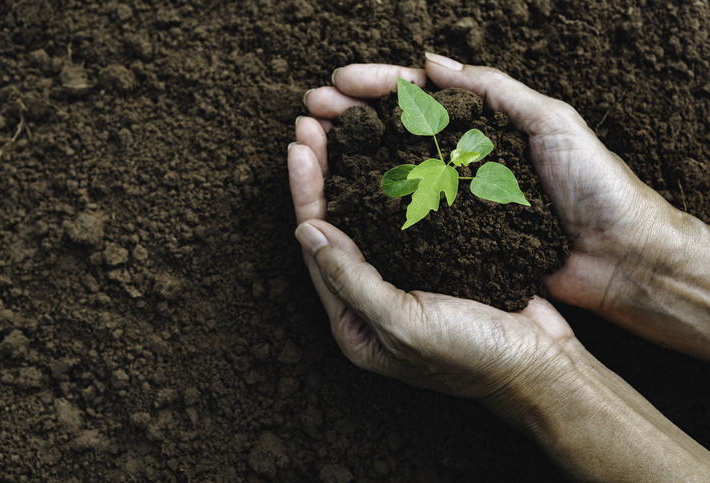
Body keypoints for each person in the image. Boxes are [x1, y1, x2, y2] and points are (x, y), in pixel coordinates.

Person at [288, 52, 710, 481]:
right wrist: (647, 259)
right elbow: (409, 178)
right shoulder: (437, 161)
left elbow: (446, 175)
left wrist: (531, 372)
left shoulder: (465, 172)